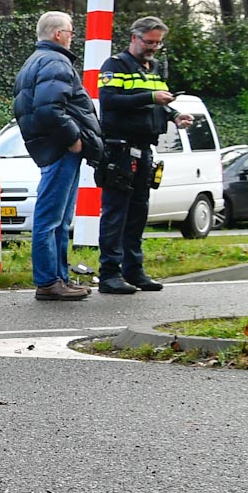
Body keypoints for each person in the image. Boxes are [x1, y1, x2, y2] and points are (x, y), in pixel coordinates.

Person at [95, 17, 189, 295]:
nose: (154, 48)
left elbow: (158, 103)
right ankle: (109, 273)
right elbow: (109, 101)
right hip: (119, 149)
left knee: (138, 213)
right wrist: (150, 99)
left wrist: (173, 115)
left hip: (145, 149)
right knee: (115, 213)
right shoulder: (115, 65)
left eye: (158, 43)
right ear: (134, 37)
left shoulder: (155, 68)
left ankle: (134, 271)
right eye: (149, 42)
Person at [12, 12, 101, 302]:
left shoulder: (34, 61)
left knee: (56, 218)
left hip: (47, 146)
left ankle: (58, 278)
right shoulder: (56, 62)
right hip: (59, 148)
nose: (73, 36)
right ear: (57, 34)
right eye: (71, 32)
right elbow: (50, 108)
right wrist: (74, 139)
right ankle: (50, 280)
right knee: (53, 218)